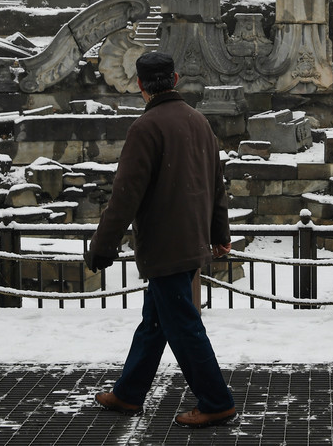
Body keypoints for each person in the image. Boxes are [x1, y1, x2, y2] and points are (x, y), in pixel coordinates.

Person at [84, 51, 237, 429]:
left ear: (139, 84)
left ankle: (217, 402)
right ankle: (129, 392)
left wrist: (102, 246)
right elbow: (216, 183)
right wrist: (219, 234)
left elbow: (125, 196)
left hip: (165, 246)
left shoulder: (146, 128)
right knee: (155, 322)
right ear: (176, 79)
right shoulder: (199, 121)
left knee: (184, 327)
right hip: (190, 239)